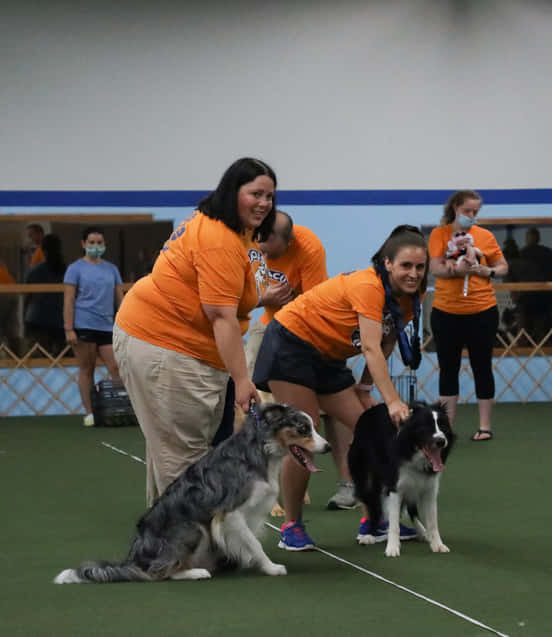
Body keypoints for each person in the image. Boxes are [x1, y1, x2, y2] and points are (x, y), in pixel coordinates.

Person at [252, 225, 428, 551]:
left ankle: (374, 521)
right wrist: (391, 401)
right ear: (387, 263)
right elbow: (371, 349)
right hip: (291, 345)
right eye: (406, 265)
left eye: (420, 267)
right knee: (306, 430)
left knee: (374, 431)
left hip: (328, 355)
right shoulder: (368, 286)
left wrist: (365, 386)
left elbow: (388, 337)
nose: (414, 273)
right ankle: (292, 528)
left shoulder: (411, 294)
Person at [113, 157, 273, 505]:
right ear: (233, 192)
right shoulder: (220, 240)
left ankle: (166, 543)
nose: (264, 203)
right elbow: (221, 317)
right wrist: (244, 380)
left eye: (269, 196)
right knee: (184, 460)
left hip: (175, 340)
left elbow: (227, 297)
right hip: (166, 344)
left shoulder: (231, 228)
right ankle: (183, 553)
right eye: (255, 194)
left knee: (175, 450)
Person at [248, 210, 357, 510]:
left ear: (288, 240)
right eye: (258, 243)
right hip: (266, 322)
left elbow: (314, 306)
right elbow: (235, 295)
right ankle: (258, 483)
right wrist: (265, 300)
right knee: (251, 405)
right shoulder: (249, 240)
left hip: (305, 332)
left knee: (330, 408)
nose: (262, 251)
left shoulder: (309, 248)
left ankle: (348, 485)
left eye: (269, 247)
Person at [428, 191, 508, 441]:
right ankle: (447, 428)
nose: (472, 217)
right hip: (445, 312)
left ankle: (484, 427)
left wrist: (488, 271)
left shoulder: (485, 236)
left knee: (482, 367)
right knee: (447, 370)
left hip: (483, 312)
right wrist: (454, 270)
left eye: (475, 212)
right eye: (467, 212)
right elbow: (435, 268)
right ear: (454, 209)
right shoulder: (438, 234)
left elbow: (503, 266)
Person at [63, 226, 125, 426]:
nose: (95, 246)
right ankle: (90, 413)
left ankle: (119, 408)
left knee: (117, 367)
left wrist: (126, 325)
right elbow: (69, 300)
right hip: (84, 325)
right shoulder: (75, 269)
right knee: (87, 369)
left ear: (104, 245)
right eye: (91, 242)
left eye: (99, 243)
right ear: (83, 244)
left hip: (107, 326)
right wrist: (69, 328)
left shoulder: (111, 269)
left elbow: (120, 299)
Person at [25, 233, 67, 357]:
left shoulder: (35, 271)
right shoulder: (68, 270)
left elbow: (28, 297)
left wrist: (23, 319)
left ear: (43, 250)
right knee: (62, 360)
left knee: (38, 361)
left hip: (37, 321)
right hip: (60, 322)